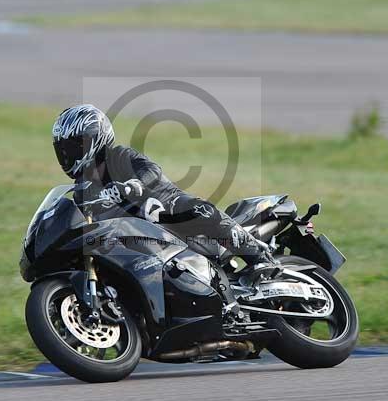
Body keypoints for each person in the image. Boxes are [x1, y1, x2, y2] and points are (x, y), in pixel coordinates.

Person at [51, 104, 276, 276]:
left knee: (200, 210)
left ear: (94, 139)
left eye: (74, 146)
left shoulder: (119, 156)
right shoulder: (82, 191)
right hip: (137, 239)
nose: (68, 155)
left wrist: (135, 184)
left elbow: (151, 171)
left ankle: (258, 256)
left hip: (166, 207)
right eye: (63, 149)